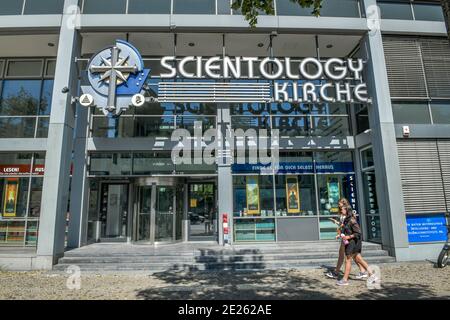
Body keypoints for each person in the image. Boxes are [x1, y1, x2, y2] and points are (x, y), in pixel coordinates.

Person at [336, 199, 378, 286]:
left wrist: (348, 236)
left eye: (342, 209)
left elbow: (358, 233)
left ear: (346, 210)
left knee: (348, 260)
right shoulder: (346, 220)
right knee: (359, 259)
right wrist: (340, 235)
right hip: (350, 241)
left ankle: (345, 280)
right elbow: (345, 229)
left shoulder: (352, 220)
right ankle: (373, 275)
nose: (340, 210)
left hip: (353, 242)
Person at [326, 198, 368, 280]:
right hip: (345, 237)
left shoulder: (349, 215)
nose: (338, 206)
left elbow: (354, 229)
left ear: (344, 204)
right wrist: (336, 223)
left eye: (339, 204)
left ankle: (337, 273)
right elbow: (343, 225)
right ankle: (364, 271)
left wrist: (347, 236)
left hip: (349, 238)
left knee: (347, 256)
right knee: (355, 256)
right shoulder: (343, 213)